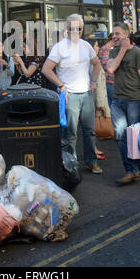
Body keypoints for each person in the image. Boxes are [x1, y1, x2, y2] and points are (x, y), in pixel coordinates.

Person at [42, 14, 103, 174]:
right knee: (70, 134)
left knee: (90, 131)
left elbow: (97, 64)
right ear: (66, 29)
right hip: (69, 95)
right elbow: (46, 69)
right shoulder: (60, 47)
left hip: (86, 94)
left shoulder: (86, 46)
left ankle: (92, 162)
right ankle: (71, 166)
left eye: (79, 28)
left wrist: (94, 81)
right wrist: (61, 85)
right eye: (72, 28)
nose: (75, 31)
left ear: (82, 29)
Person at [107, 22, 140, 185]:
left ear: (127, 34)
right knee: (120, 135)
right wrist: (123, 50)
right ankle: (130, 170)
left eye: (117, 33)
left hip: (134, 101)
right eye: (113, 34)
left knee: (133, 137)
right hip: (117, 100)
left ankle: (135, 169)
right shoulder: (114, 51)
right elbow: (111, 69)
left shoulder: (138, 53)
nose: (114, 36)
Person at [86, 38, 111, 161]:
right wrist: (101, 104)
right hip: (94, 99)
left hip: (92, 98)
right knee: (91, 127)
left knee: (90, 127)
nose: (98, 48)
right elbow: (98, 85)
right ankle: (92, 150)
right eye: (96, 45)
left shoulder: (91, 61)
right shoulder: (93, 63)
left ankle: (93, 148)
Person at [98, 33, 114, 107]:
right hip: (110, 80)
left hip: (109, 81)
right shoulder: (106, 49)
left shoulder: (105, 48)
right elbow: (106, 65)